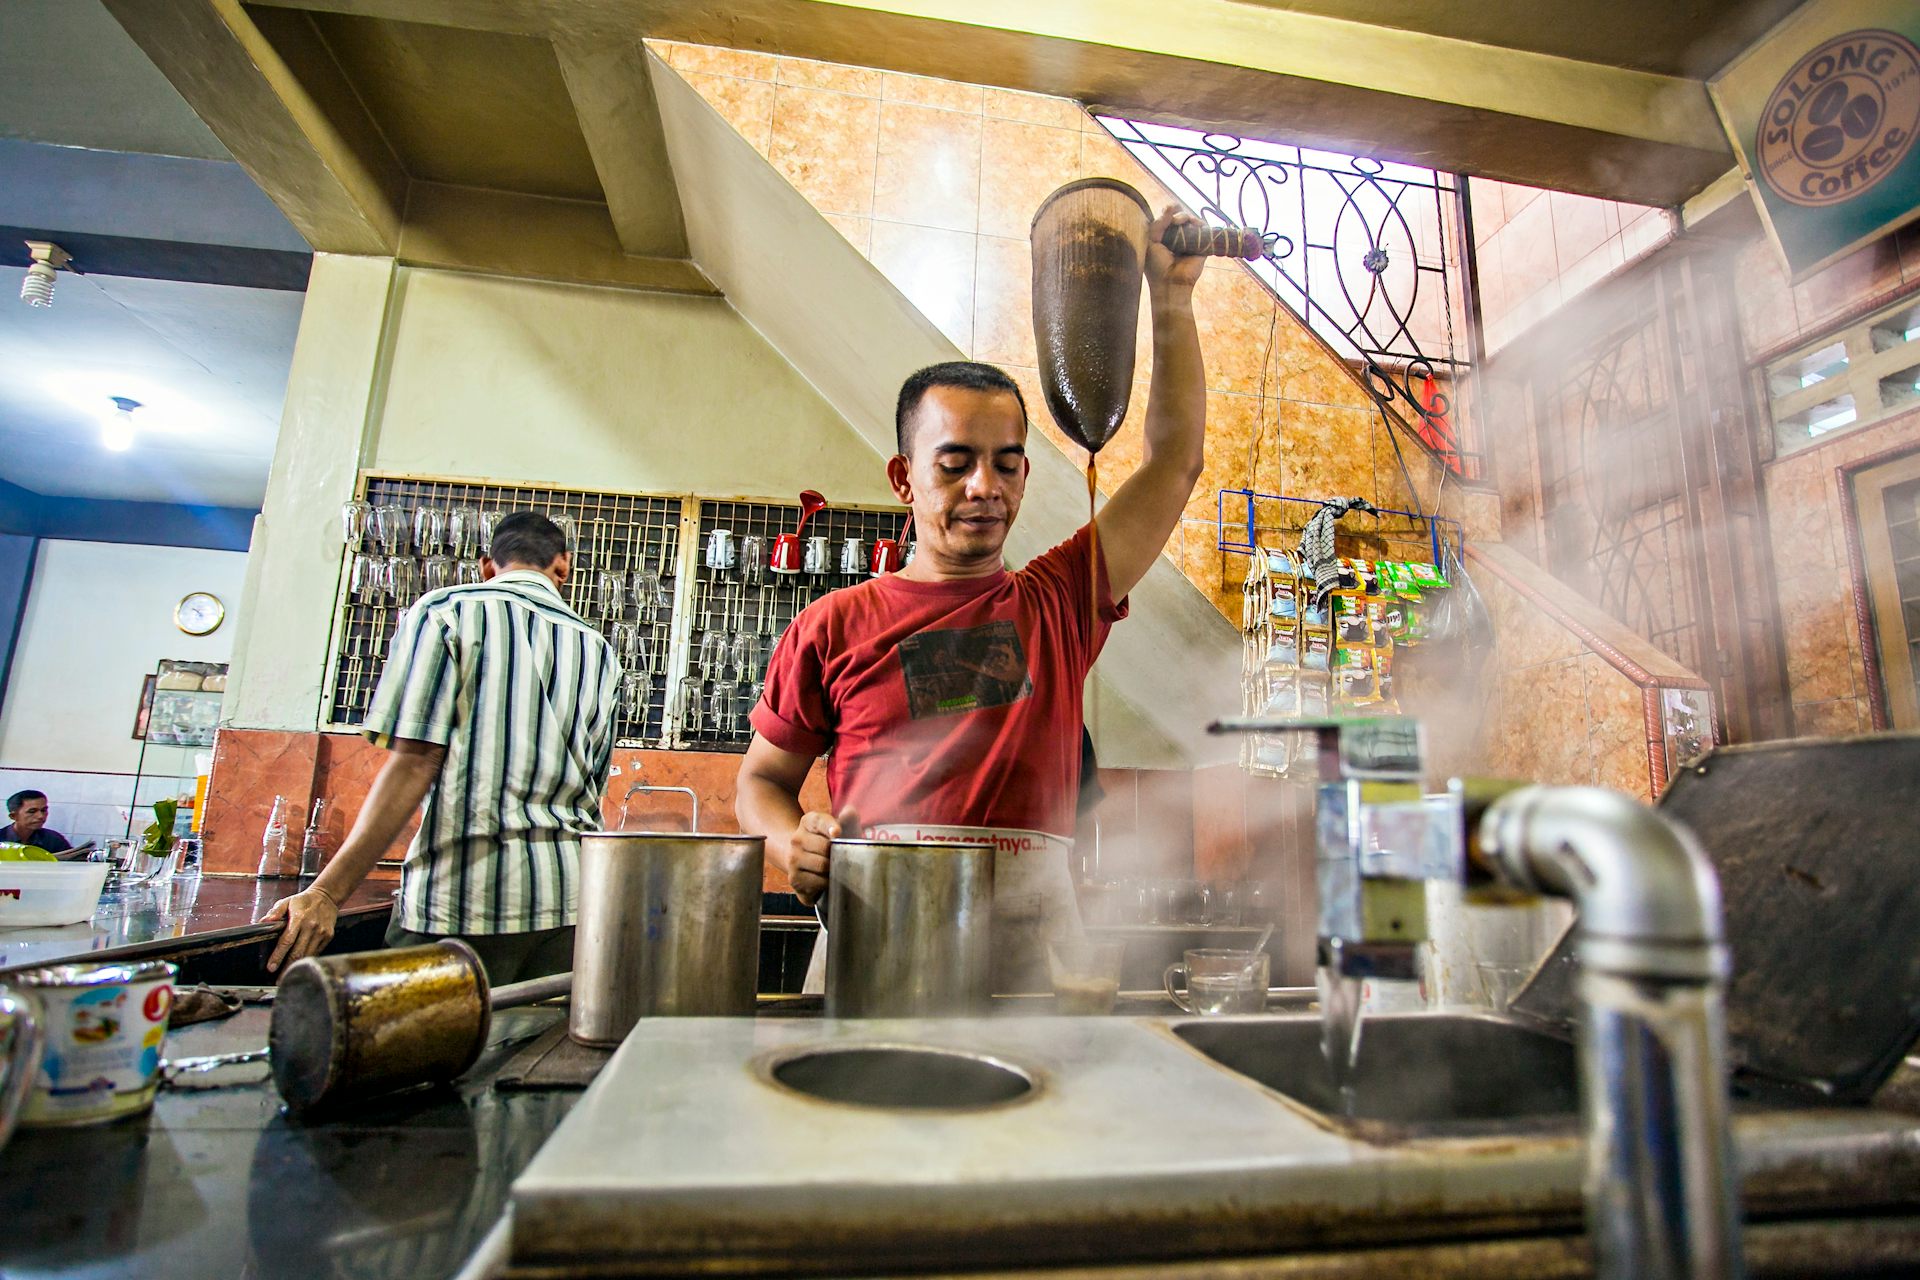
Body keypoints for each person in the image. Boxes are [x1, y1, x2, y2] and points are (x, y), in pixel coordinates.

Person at [736, 206, 1207, 991]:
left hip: (1035, 956)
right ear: (904, 478)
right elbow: (760, 784)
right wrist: (793, 845)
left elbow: (1174, 465)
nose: (984, 486)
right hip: (876, 941)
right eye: (954, 463)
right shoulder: (833, 624)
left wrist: (1173, 301)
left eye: (1007, 463)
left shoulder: (1059, 601)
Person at [264, 512, 620, 982]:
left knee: (425, 1047)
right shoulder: (599, 649)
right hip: (568, 902)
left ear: (487, 566)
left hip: (462, 900)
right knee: (538, 1050)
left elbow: (415, 763)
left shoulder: (448, 611)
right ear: (564, 567)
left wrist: (327, 893)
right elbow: (593, 794)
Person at [2, 790, 73, 856]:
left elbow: (72, 863)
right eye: (32, 811)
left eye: (43, 810)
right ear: (13, 816)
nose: (41, 816)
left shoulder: (53, 839)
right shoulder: (2, 839)